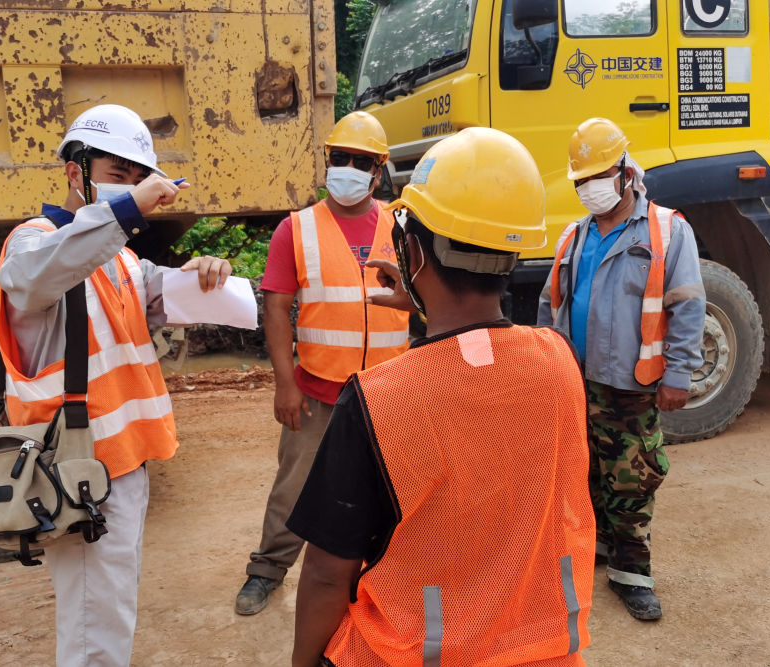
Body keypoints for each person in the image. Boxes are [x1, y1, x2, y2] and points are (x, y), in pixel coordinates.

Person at [288, 127, 595, 666]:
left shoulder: (378, 398)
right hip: (541, 652)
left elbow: (326, 572)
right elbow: (481, 363)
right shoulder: (558, 360)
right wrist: (429, 297)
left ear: (411, 252)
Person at [0, 103, 231, 666]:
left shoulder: (119, 257)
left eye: (135, 180)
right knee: (93, 630)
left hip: (121, 465)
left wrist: (204, 271)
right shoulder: (36, 242)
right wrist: (128, 209)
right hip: (78, 472)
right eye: (115, 178)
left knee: (108, 610)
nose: (127, 193)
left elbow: (157, 291)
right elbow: (33, 279)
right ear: (75, 174)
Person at [235, 111, 411, 615]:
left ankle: (383, 579)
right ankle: (267, 570)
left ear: (378, 171)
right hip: (317, 391)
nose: (349, 169)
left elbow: (426, 297)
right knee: (294, 487)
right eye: (341, 158)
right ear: (328, 162)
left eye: (361, 161)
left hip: (387, 392)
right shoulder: (297, 230)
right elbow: (275, 309)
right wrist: (284, 384)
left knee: (389, 490)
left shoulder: (401, 224)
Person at [537, 117, 706, 621]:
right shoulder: (572, 235)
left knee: (631, 479)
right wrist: (545, 366)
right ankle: (600, 550)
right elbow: (551, 305)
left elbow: (687, 306)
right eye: (580, 180)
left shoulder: (668, 230)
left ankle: (633, 576)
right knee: (583, 473)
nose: (589, 188)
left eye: (598, 176)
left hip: (633, 385)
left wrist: (679, 374)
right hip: (575, 380)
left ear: (626, 171)